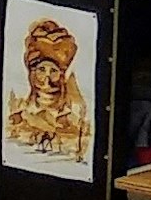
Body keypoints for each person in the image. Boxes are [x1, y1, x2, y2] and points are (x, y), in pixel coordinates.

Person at [7, 14, 89, 161]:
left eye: (53, 71)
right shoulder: (19, 114)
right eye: (41, 70)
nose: (46, 79)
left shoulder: (76, 116)